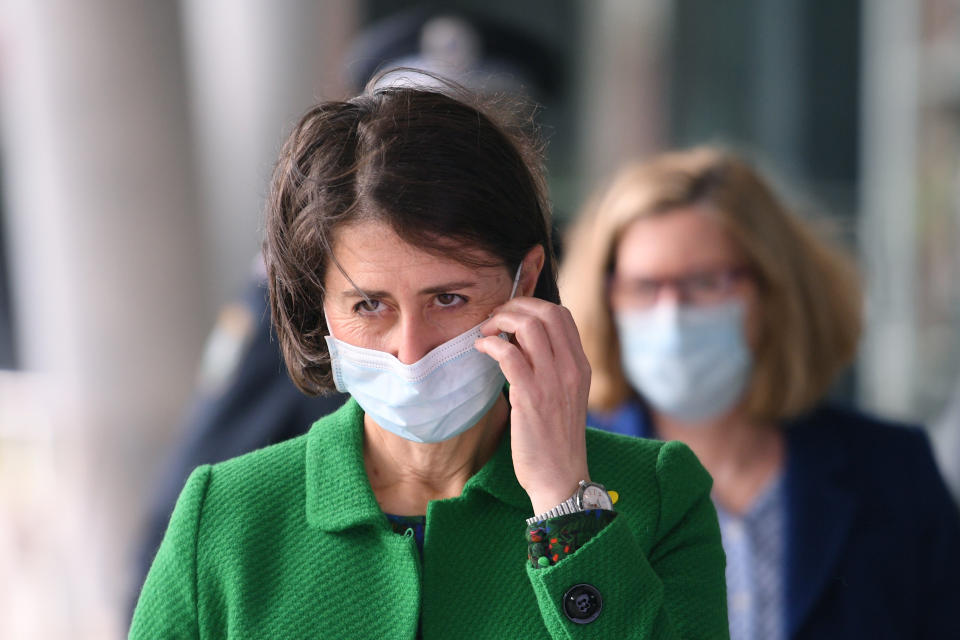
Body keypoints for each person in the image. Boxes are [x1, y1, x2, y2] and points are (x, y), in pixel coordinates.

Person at [129, 84, 729, 638]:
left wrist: (566, 506)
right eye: (370, 304)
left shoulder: (657, 494)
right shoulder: (227, 513)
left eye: (448, 298)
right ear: (320, 305)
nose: (410, 349)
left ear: (527, 281)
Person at [560, 146, 960, 640]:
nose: (672, 315)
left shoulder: (892, 471)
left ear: (774, 291)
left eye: (704, 282)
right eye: (644, 287)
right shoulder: (564, 478)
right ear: (607, 298)